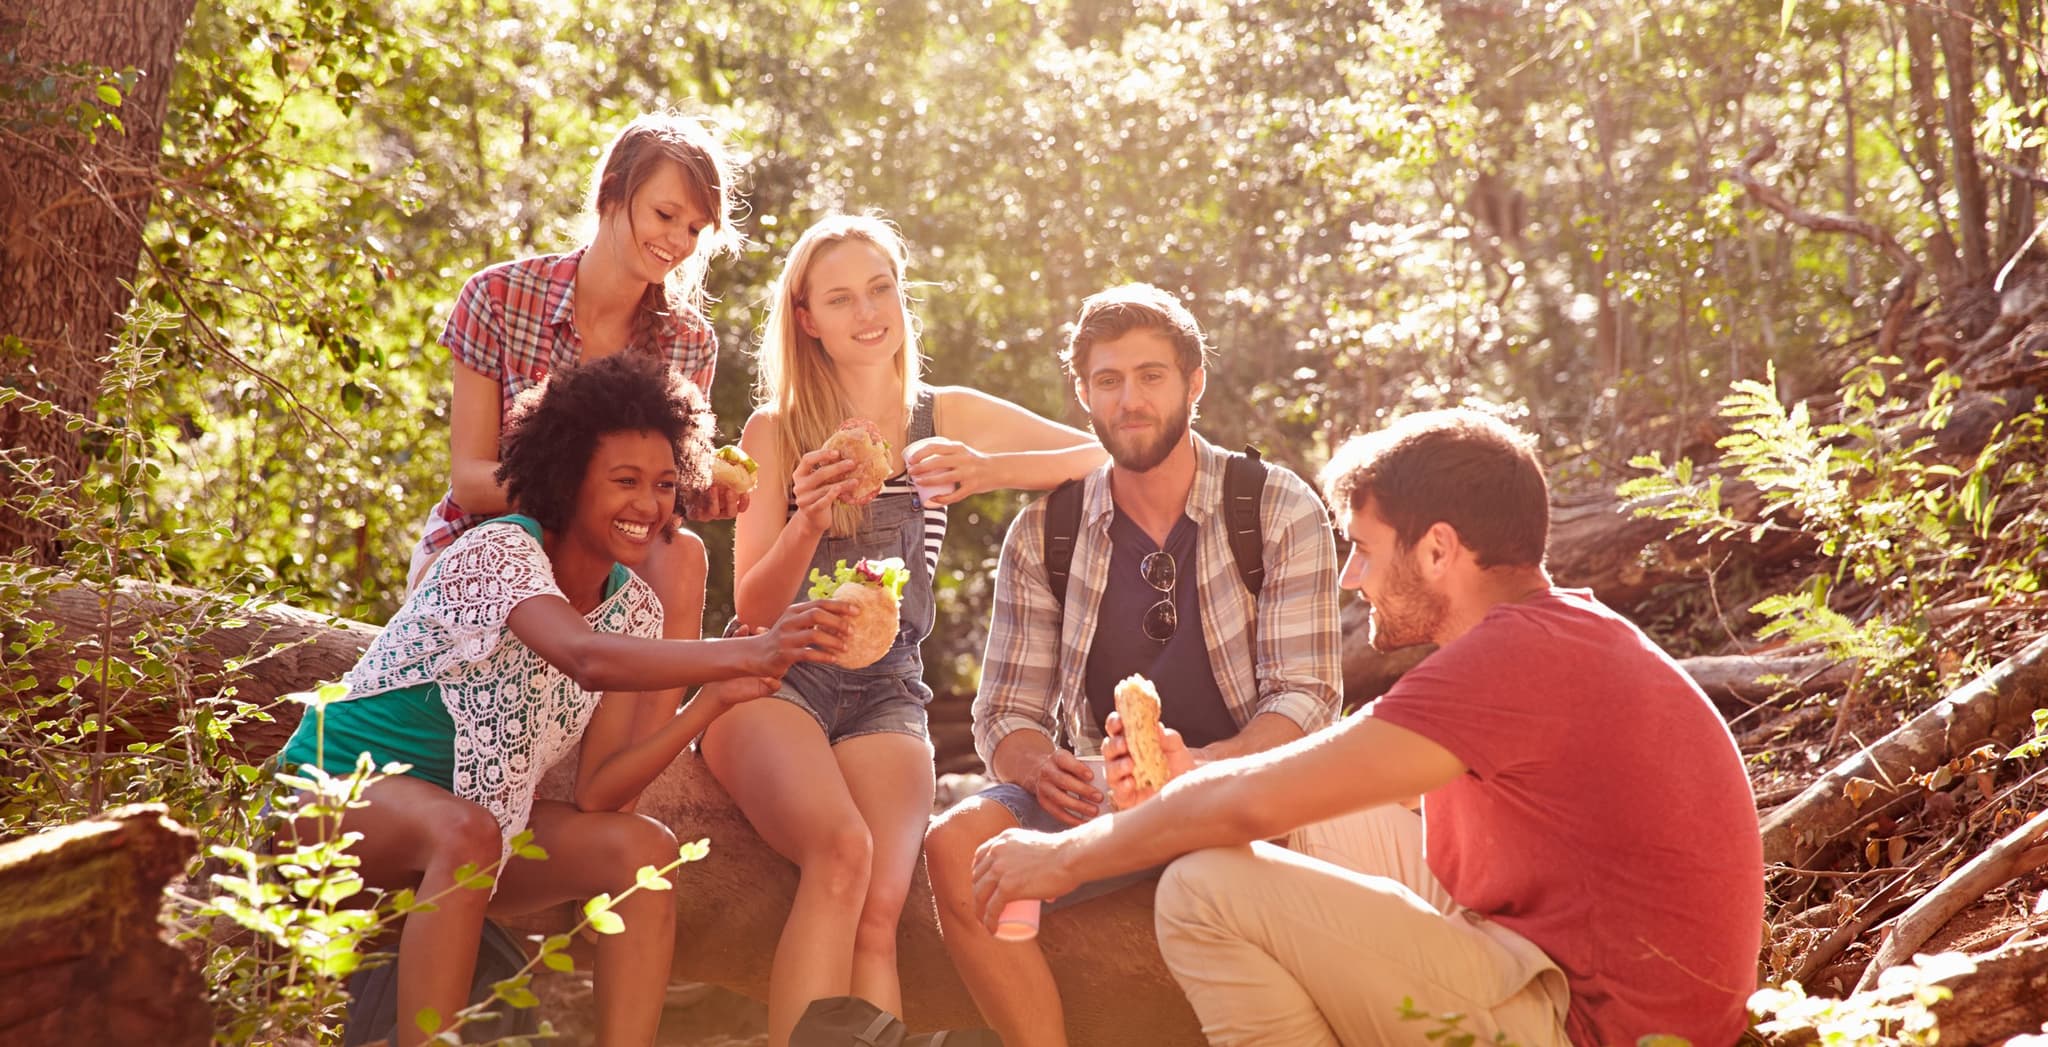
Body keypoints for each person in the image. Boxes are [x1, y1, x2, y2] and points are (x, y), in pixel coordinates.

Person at [969, 408, 1766, 1046]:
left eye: (1363, 549)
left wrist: (1064, 854)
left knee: (1201, 890)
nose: (1352, 577)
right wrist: (1188, 781)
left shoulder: (1508, 662)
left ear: (1438, 550)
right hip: (1568, 963)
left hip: (1589, 1027)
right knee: (1296, 824)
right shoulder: (1551, 634)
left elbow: (1256, 802)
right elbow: (1316, 789)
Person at [278, 354, 850, 1047]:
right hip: (330, 804)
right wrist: (751, 650)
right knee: (467, 831)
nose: (649, 505)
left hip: (470, 844)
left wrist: (710, 700)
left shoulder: (631, 607)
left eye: (667, 484)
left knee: (643, 851)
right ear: (569, 476)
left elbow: (602, 792)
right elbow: (582, 655)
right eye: (625, 481)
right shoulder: (499, 551)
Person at [702, 213, 1107, 1047]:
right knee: (841, 854)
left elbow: (1103, 454)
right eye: (841, 297)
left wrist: (988, 470)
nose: (868, 312)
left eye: (880, 288)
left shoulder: (940, 414)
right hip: (779, 676)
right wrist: (808, 518)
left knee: (882, 911)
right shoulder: (774, 431)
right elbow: (750, 608)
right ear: (806, 317)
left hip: (890, 688)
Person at [921, 283, 1342, 1047]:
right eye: (1108, 381)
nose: (1130, 400)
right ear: (1082, 393)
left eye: (1151, 375)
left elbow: (1309, 697)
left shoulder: (1278, 509)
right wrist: (1037, 762)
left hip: (1246, 789)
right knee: (954, 844)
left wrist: (1203, 768)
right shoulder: (1045, 530)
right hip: (1103, 794)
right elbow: (1005, 711)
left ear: (1194, 382)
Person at [409, 111, 745, 659]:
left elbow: (656, 513)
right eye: (666, 214)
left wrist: (690, 494)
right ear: (612, 192)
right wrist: (599, 491)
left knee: (683, 554)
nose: (679, 241)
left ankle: (651, 740)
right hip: (488, 540)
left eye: (694, 229)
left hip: (602, 567)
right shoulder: (497, 296)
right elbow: (471, 483)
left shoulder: (689, 342)